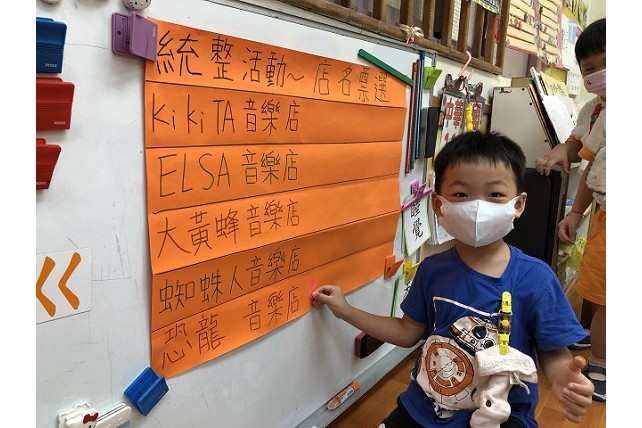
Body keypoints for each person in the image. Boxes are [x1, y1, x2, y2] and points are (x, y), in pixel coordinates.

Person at [312, 131, 594, 427]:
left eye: (495, 195)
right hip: (425, 406)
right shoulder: (432, 270)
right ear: (438, 205)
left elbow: (553, 351)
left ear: (518, 205)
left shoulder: (536, 278)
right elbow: (407, 332)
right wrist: (346, 311)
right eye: (461, 195)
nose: (477, 207)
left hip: (499, 414)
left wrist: (562, 378)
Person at [534, 18, 606, 402]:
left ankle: (603, 365)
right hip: (602, 211)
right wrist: (562, 151)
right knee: (597, 284)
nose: (600, 74)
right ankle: (595, 338)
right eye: (590, 69)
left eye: (607, 63)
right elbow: (585, 154)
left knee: (607, 293)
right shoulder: (595, 109)